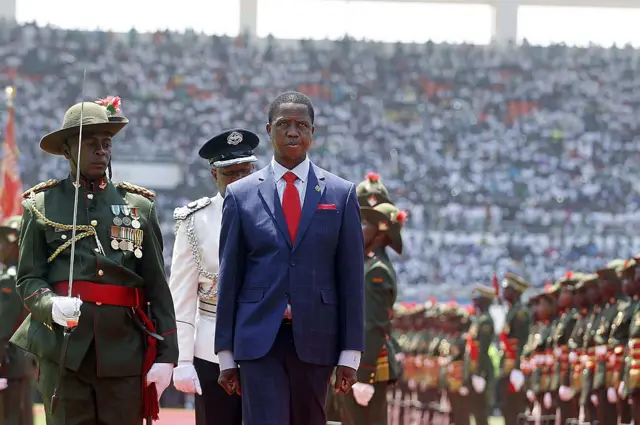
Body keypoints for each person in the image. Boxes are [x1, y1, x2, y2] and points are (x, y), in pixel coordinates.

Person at [9, 99, 178, 425]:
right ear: (68, 150)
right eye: (91, 143)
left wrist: (167, 355)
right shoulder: (40, 204)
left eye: (106, 144)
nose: (101, 151)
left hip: (124, 352)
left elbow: (157, 286)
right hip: (63, 352)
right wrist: (50, 305)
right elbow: (28, 279)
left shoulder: (138, 206)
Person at [214, 91, 365, 425]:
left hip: (317, 339)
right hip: (258, 341)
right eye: (284, 124)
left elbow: (352, 280)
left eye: (302, 125)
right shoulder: (241, 195)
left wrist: (351, 354)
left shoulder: (341, 194)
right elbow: (230, 278)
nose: (293, 132)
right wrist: (225, 354)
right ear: (269, 130)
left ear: (314, 132)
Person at [170, 129, 259, 425]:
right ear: (213, 174)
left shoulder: (276, 210)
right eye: (229, 173)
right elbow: (182, 296)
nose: (238, 180)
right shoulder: (194, 220)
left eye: (244, 172)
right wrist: (182, 359)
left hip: (266, 344)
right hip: (209, 348)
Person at [331, 202, 406, 425]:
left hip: (368, 368)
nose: (361, 228)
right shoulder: (367, 266)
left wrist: (363, 375)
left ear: (381, 231)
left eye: (366, 224)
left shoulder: (377, 272)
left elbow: (372, 326)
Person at [0, 216, 34, 425]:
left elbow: (3, 326)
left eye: (4, 240)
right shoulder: (25, 275)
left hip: (8, 359)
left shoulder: (11, 278)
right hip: (20, 358)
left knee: (10, 416)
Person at [498, 273, 530, 425]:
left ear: (515, 292)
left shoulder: (520, 313)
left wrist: (518, 366)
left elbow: (523, 341)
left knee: (516, 407)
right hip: (507, 365)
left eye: (506, 289)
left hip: (514, 365)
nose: (503, 293)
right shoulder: (511, 311)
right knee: (506, 406)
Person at [467, 285, 496, 425]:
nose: (474, 302)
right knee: (476, 410)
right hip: (476, 368)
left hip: (482, 369)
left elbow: (483, 349)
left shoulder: (486, 321)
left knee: (481, 410)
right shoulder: (479, 320)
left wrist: (479, 373)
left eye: (477, 299)